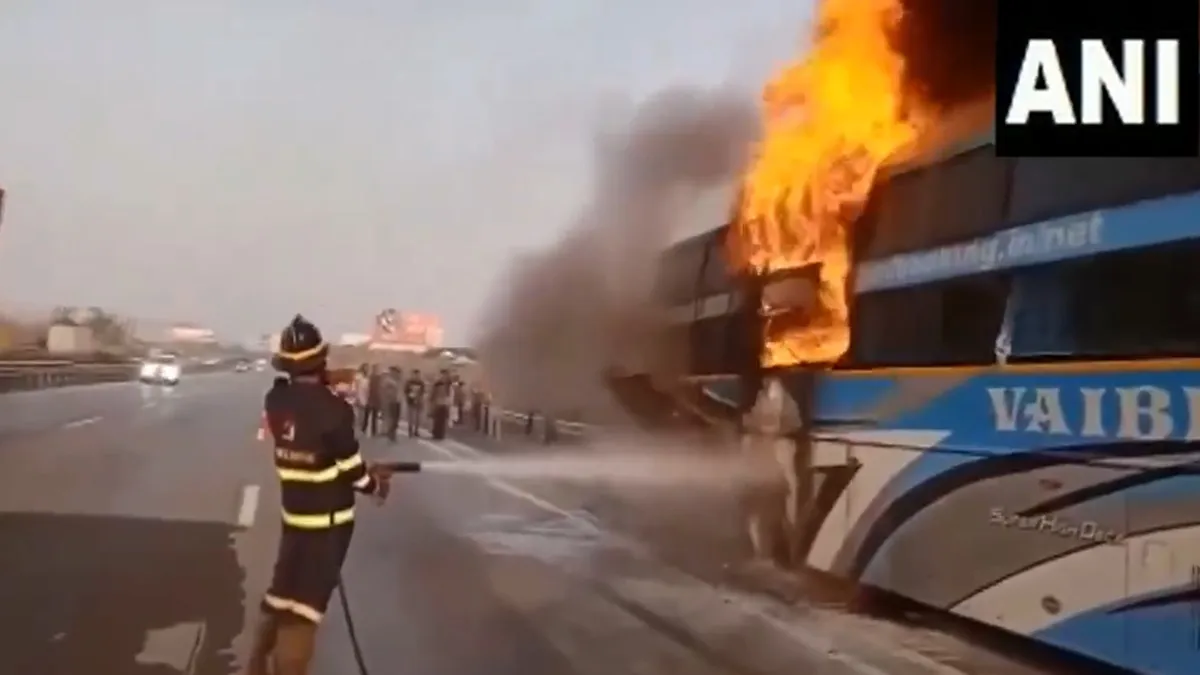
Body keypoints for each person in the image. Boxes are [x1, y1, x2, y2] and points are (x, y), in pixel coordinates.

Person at [243, 315, 392, 675]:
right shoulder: (336, 412)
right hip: (328, 525)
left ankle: (254, 666)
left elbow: (303, 398)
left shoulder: (276, 400)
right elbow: (353, 473)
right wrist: (376, 485)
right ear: (321, 359)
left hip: (295, 518)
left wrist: (327, 380)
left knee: (280, 597)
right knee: (304, 612)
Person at [428, 369, 453, 440]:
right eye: (443, 374)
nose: (444, 376)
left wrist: (449, 404)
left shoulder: (449, 384)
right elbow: (433, 392)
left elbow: (450, 394)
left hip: (445, 404)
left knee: (442, 420)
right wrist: (431, 400)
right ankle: (436, 433)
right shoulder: (437, 383)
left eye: (446, 374)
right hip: (438, 403)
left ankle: (441, 434)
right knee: (437, 420)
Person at [379, 367, 402, 442]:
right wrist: (386, 398)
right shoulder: (388, 381)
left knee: (396, 419)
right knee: (392, 418)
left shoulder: (399, 381)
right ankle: (391, 434)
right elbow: (384, 390)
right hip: (391, 401)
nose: (397, 374)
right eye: (395, 372)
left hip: (398, 401)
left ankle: (392, 433)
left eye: (398, 373)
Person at [403, 369, 425, 437]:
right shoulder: (409, 382)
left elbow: (423, 392)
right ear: (413, 375)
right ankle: (410, 430)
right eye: (415, 375)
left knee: (417, 418)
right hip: (411, 401)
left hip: (418, 401)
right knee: (411, 417)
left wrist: (420, 398)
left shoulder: (421, 383)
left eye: (418, 375)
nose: (417, 376)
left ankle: (416, 430)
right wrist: (409, 396)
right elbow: (405, 391)